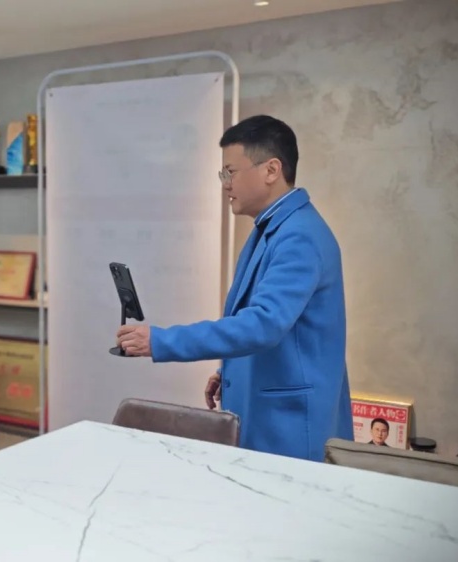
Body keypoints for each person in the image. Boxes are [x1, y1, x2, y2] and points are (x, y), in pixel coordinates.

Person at [115, 114, 354, 462]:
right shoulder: (274, 227)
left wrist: (161, 341)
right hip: (272, 416)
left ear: (271, 170)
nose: (225, 184)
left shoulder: (298, 236)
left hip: (290, 428)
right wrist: (229, 371)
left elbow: (263, 324)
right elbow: (280, 330)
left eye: (231, 172)